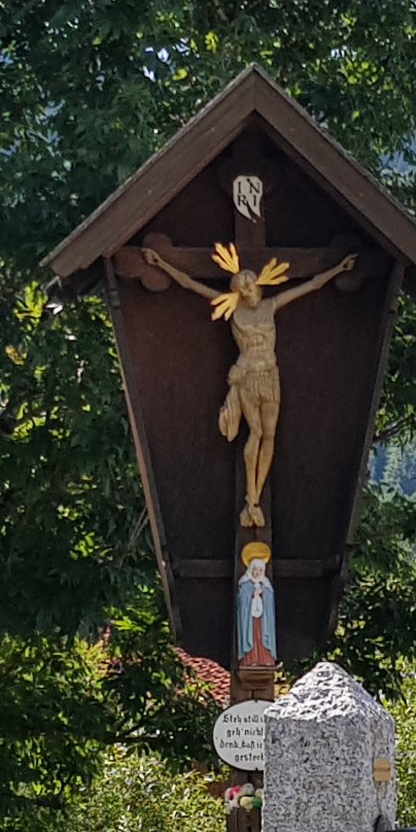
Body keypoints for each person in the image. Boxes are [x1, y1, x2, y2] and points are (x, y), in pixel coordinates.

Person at [142, 242, 358, 527]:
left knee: (269, 435)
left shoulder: (271, 306)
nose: (247, 292)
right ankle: (251, 500)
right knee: (254, 433)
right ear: (237, 291)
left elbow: (312, 285)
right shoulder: (232, 310)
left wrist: (337, 269)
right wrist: (161, 264)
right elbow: (189, 284)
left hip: (270, 375)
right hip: (246, 377)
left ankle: (254, 499)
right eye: (242, 288)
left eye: (251, 286)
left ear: (258, 285)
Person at [236, 541, 277, 669]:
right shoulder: (244, 584)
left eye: (260, 570)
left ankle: (265, 658)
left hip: (263, 620)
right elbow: (242, 601)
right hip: (249, 620)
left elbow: (270, 604)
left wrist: (263, 595)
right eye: (255, 570)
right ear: (250, 569)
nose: (257, 573)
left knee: (262, 635)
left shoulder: (266, 585)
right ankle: (250, 659)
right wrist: (253, 594)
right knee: (252, 636)